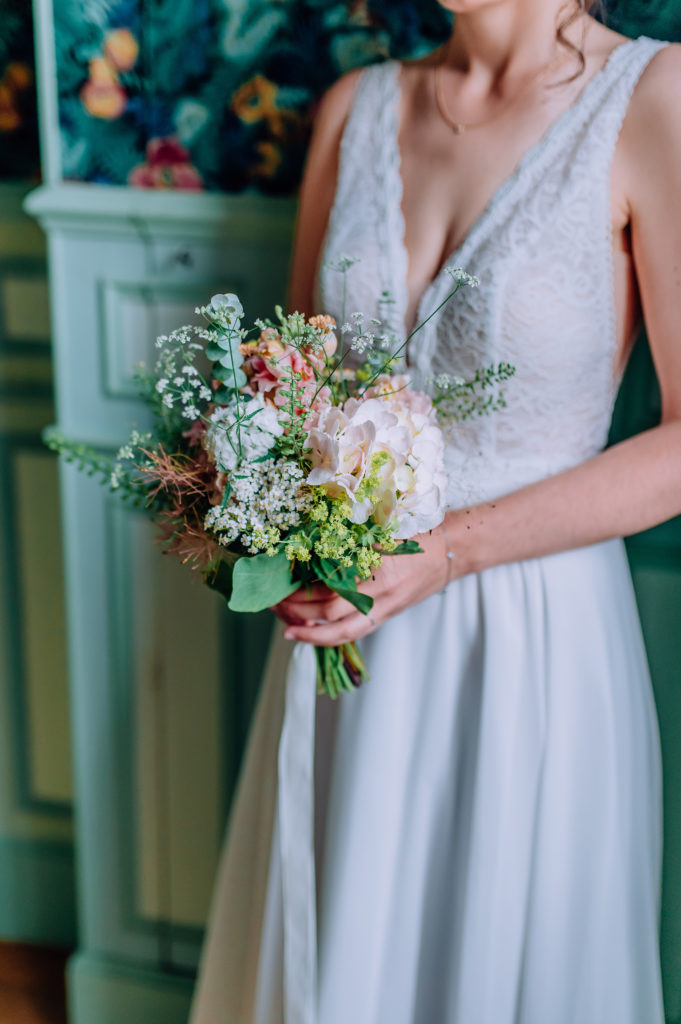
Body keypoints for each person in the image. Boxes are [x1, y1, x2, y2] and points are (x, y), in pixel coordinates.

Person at [190, 1, 681, 1021]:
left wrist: (445, 552)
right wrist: (254, 493)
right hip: (351, 642)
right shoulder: (355, 108)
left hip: (532, 647)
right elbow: (293, 384)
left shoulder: (656, 99)